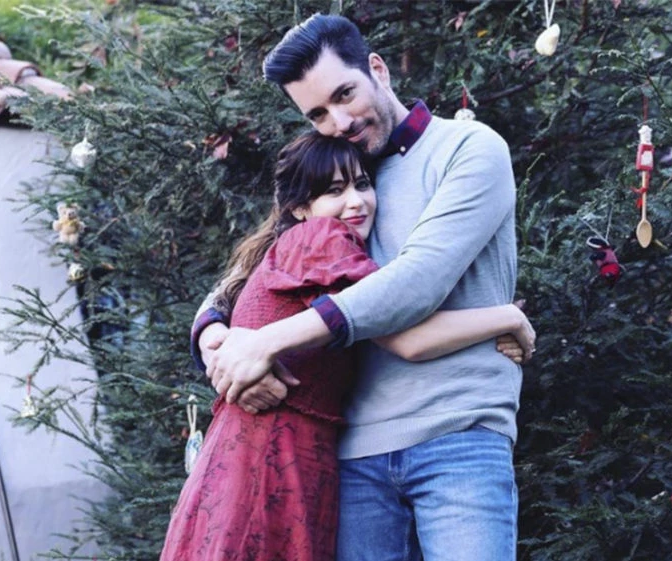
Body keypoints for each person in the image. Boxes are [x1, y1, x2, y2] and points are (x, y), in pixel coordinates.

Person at [195, 14, 529, 561]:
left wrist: (266, 342)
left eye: (345, 94)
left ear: (377, 69)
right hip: (350, 454)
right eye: (318, 114)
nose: (340, 121)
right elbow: (253, 268)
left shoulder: (467, 149)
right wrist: (218, 342)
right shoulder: (337, 178)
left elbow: (416, 283)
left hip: (459, 437)